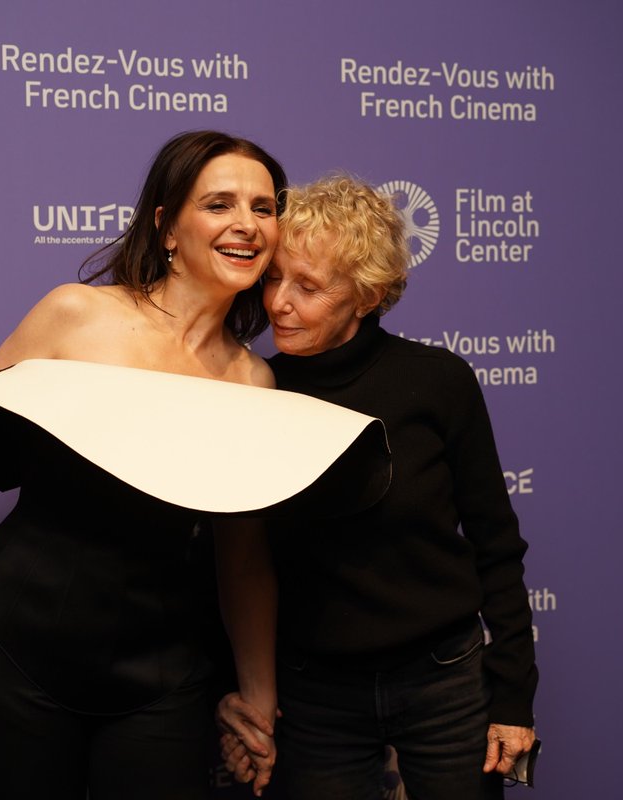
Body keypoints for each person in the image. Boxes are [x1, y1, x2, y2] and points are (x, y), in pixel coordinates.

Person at [0, 130, 286, 799]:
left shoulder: (254, 382)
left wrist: (257, 696)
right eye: (220, 204)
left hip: (164, 678)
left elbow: (244, 557)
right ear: (167, 225)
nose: (246, 225)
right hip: (16, 658)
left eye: (263, 207)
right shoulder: (76, 315)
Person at [217, 175, 538, 799]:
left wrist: (514, 699)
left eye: (308, 287)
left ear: (368, 297)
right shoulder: (257, 392)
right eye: (275, 277)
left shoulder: (439, 382)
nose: (278, 302)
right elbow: (231, 565)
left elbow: (497, 545)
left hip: (444, 679)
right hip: (311, 692)